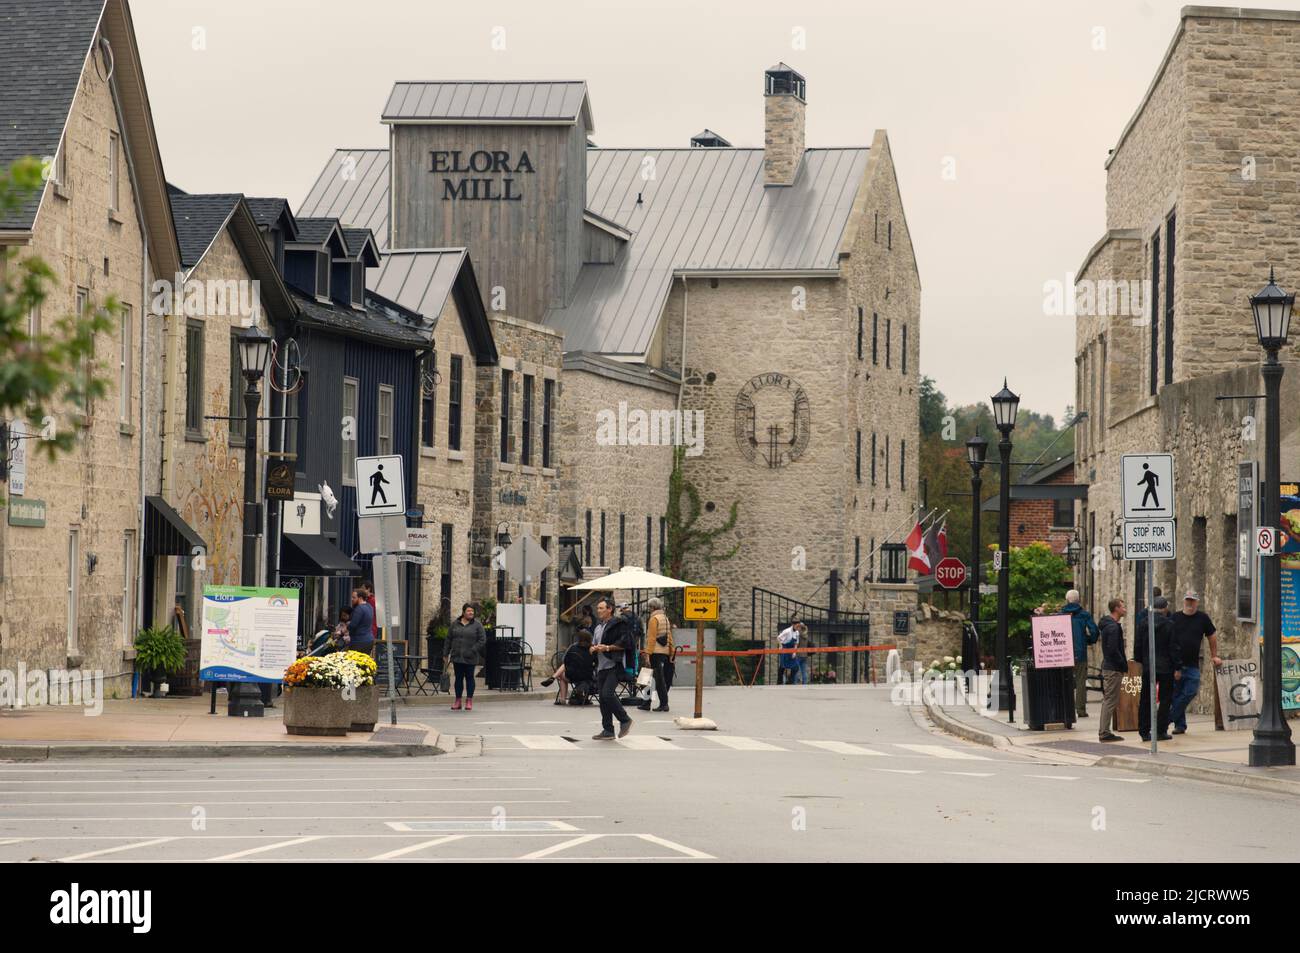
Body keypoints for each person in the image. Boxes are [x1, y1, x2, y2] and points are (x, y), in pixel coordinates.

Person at [1169, 590, 1220, 735]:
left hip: (1192, 664)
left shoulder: (1202, 618)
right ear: (1184, 601)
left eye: (1193, 601)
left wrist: (1214, 655)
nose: (1190, 603)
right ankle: (1180, 725)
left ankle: (1168, 718)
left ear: (1197, 602)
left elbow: (1212, 636)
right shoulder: (1175, 618)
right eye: (1188, 600)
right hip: (1176, 664)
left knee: (1190, 691)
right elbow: (1168, 640)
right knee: (1177, 695)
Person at [590, 596, 634, 740]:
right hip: (601, 667)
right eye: (598, 608)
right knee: (602, 699)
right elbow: (594, 643)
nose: (598, 611)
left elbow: (625, 643)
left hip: (615, 664)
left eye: (601, 608)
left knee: (607, 694)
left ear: (610, 609)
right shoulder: (597, 627)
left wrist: (608, 648)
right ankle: (608, 730)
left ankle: (625, 719)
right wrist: (593, 648)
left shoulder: (619, 624)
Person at [1135, 596, 1176, 742]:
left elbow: (1138, 646)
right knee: (1165, 700)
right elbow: (1173, 648)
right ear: (1165, 608)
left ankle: (1144, 731)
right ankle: (1160, 730)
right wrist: (1177, 666)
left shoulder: (1143, 623)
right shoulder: (1169, 625)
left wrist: (1141, 661)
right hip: (1166, 667)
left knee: (1145, 699)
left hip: (1148, 666)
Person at [1063, 589, 1099, 718]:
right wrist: (1088, 640)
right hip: (1080, 652)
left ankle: (1066, 708)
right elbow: (1094, 631)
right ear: (1078, 600)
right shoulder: (1084, 614)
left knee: (1065, 681)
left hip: (1063, 653)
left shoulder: (1061, 614)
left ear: (1067, 600)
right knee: (1080, 682)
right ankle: (1080, 709)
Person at [445, 603, 487, 711]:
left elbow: (482, 640)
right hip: (457, 656)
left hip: (470, 657)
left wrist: (473, 650)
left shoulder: (477, 625)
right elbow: (448, 639)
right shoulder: (455, 624)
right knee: (458, 679)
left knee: (469, 678)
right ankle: (458, 701)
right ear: (463, 612)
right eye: (469, 611)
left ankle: (469, 701)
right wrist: (445, 653)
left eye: (472, 611)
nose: (471, 613)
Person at [1097, 598, 1127, 742]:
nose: (1125, 609)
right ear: (1116, 609)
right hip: (1113, 668)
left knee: (1109, 699)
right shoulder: (1114, 628)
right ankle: (1104, 732)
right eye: (1123, 606)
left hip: (1109, 666)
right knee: (1110, 700)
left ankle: (1104, 730)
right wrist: (1122, 664)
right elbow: (1113, 650)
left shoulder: (1108, 626)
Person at [641, 597, 674, 712]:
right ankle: (646, 702)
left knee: (654, 679)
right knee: (649, 677)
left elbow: (651, 638)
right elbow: (669, 636)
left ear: (652, 607)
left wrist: (647, 653)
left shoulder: (653, 619)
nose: (648, 609)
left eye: (649, 607)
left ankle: (663, 703)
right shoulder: (665, 618)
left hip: (654, 652)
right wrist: (671, 651)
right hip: (664, 652)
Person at [347, 588, 375, 655]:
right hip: (369, 640)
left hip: (358, 641)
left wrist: (348, 625)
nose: (352, 599)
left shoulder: (359, 609)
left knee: (354, 663)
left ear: (360, 598)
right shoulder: (369, 606)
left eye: (354, 597)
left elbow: (353, 625)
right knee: (364, 663)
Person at [777, 620, 803, 685]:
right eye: (797, 625)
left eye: (799, 626)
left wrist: (794, 652)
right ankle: (779, 682)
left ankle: (789, 681)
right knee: (782, 667)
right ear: (793, 625)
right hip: (785, 648)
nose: (798, 627)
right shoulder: (787, 631)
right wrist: (780, 646)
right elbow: (778, 638)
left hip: (791, 650)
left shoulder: (797, 632)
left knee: (796, 667)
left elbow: (796, 643)